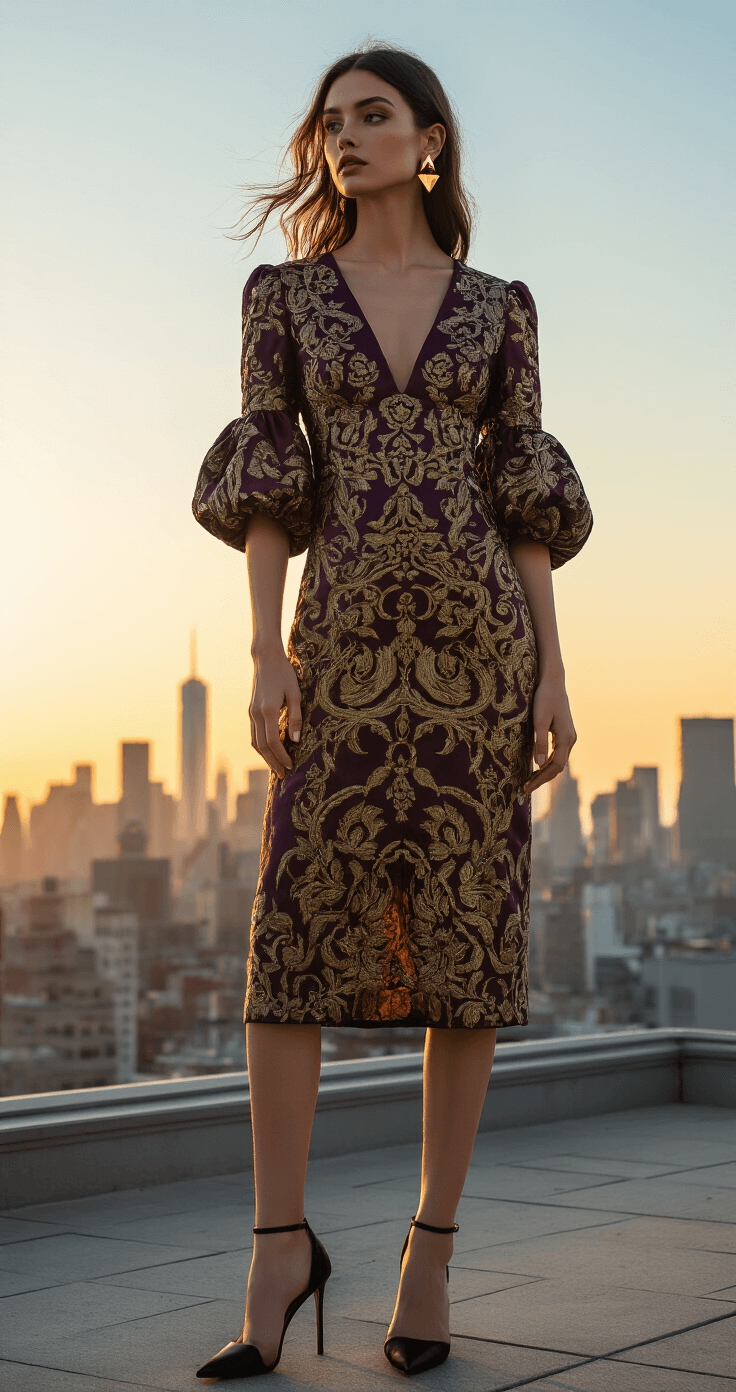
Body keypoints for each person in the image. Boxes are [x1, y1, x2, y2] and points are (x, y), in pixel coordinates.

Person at [192, 42, 593, 1381]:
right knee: (289, 945)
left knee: (465, 955)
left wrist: (552, 672)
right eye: (330, 122)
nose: (345, 137)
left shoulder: (500, 309)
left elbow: (526, 503)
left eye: (373, 116)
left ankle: (430, 1259)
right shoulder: (285, 298)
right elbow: (269, 486)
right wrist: (264, 649)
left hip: (479, 656)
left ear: (430, 141)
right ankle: (279, 1251)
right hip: (341, 645)